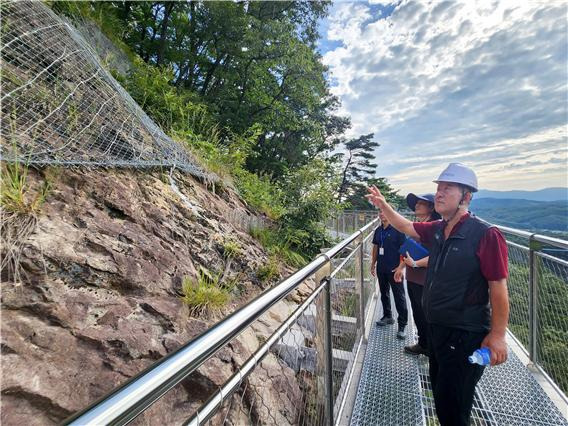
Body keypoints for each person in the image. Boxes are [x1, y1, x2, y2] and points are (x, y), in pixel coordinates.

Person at [366, 163, 509, 426]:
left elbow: (498, 288)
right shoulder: (439, 229)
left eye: (448, 188)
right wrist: (383, 204)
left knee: (454, 409)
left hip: (465, 333)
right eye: (439, 188)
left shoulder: (486, 235)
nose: (440, 193)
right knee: (442, 397)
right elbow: (406, 226)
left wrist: (498, 335)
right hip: (438, 330)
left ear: (466, 197)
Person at [393, 193, 440, 356]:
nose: (417, 206)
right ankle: (423, 343)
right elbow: (407, 249)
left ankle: (431, 348)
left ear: (431, 208)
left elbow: (436, 256)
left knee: (426, 314)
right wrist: (401, 267)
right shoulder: (418, 226)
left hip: (425, 280)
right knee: (418, 312)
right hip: (413, 278)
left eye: (421, 203)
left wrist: (415, 264)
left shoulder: (435, 228)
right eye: (416, 203)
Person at [371, 209, 408, 339]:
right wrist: (373, 264)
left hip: (395, 270)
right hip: (382, 268)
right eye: (379, 212)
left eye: (383, 212)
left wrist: (400, 267)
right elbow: (375, 248)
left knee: (399, 297)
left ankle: (402, 325)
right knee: (384, 293)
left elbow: (404, 249)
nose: (381, 214)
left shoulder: (398, 230)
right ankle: (388, 316)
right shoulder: (378, 231)